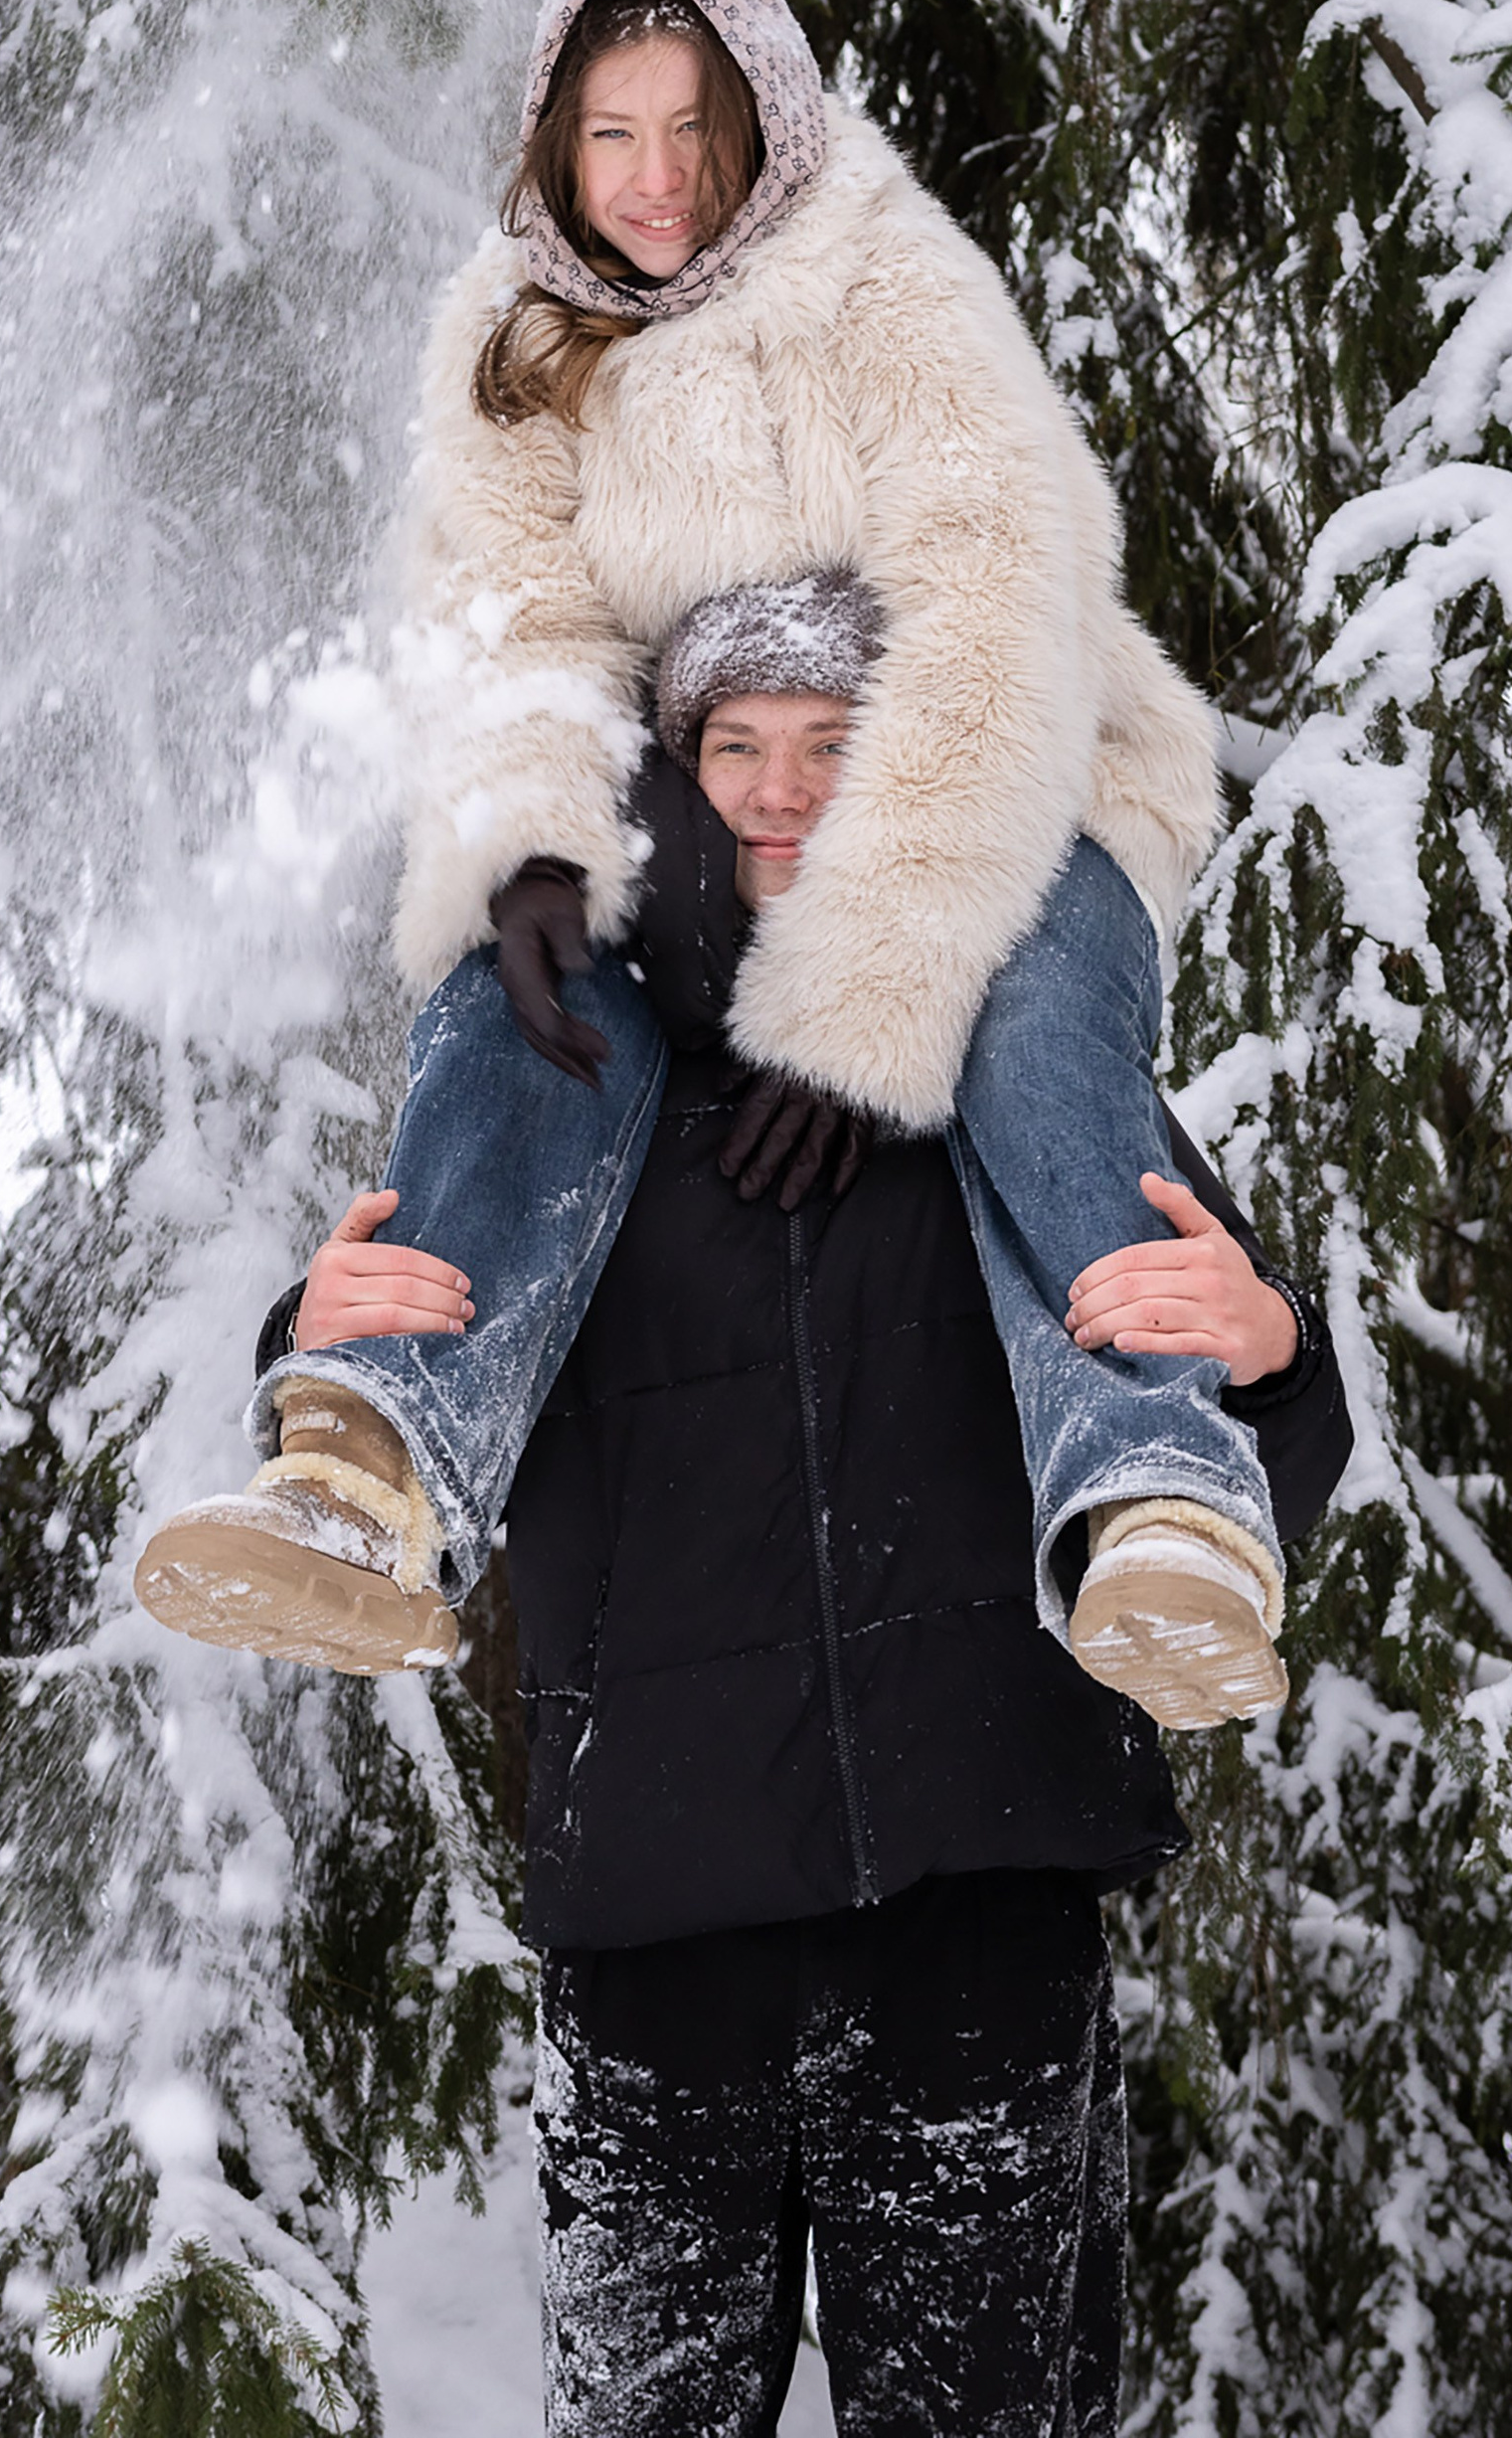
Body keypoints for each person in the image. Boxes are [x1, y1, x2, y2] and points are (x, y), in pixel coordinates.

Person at [136, 0, 1283, 1715]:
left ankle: (1158, 1488)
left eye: (691, 128)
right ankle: (374, 1458)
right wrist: (527, 843)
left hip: (1022, 773)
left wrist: (864, 1007)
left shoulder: (883, 276)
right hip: (703, 809)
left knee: (1035, 1020)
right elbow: (513, 619)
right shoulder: (515, 336)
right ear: (555, 145)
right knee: (519, 1000)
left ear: (759, 127)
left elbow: (998, 617)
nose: (656, 179)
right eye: (610, 135)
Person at [234, 608, 1352, 2437]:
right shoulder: (566, 1084)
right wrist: (307, 1338)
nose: (780, 791)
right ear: (673, 771)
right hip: (659, 1941)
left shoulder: (1014, 1061)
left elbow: (1225, 1453)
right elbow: (408, 1351)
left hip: (977, 1917)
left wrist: (1278, 1353)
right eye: (735, 743)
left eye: (833, 741)